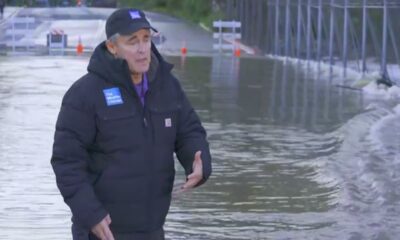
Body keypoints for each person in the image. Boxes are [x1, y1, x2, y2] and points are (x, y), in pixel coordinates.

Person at [51, 8, 212, 240]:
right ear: (112, 47)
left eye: (146, 39)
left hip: (152, 230)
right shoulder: (84, 94)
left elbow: (189, 131)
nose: (142, 49)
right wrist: (91, 214)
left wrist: (199, 162)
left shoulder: (167, 87)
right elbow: (66, 163)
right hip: (102, 231)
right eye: (132, 41)